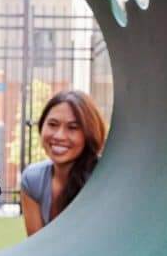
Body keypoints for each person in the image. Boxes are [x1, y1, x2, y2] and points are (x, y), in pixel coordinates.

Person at [20, 90, 107, 236]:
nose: (59, 135)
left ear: (89, 133)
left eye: (73, 127)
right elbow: (37, 248)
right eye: (53, 124)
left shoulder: (103, 177)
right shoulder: (32, 179)